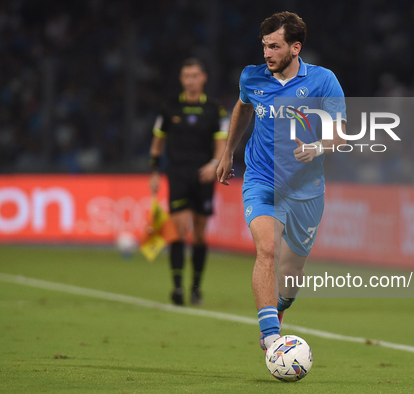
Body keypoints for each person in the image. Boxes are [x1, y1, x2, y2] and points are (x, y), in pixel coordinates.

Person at [217, 12, 347, 350]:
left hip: (306, 189)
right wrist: (228, 151)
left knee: (289, 278)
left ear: (295, 47)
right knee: (268, 250)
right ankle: (271, 336)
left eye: (274, 46)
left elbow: (341, 135)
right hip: (261, 178)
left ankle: (280, 308)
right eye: (264, 46)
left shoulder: (323, 81)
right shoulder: (252, 78)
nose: (267, 53)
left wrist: (317, 147)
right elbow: (243, 107)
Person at [149, 58, 228, 306]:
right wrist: (154, 171)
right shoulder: (169, 107)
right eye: (186, 76)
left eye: (195, 75)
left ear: (203, 78)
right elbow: (158, 142)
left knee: (200, 235)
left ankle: (196, 288)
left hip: (204, 175)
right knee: (178, 230)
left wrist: (214, 164)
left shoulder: (216, 109)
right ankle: (177, 288)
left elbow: (221, 144)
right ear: (182, 79)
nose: (191, 80)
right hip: (178, 174)